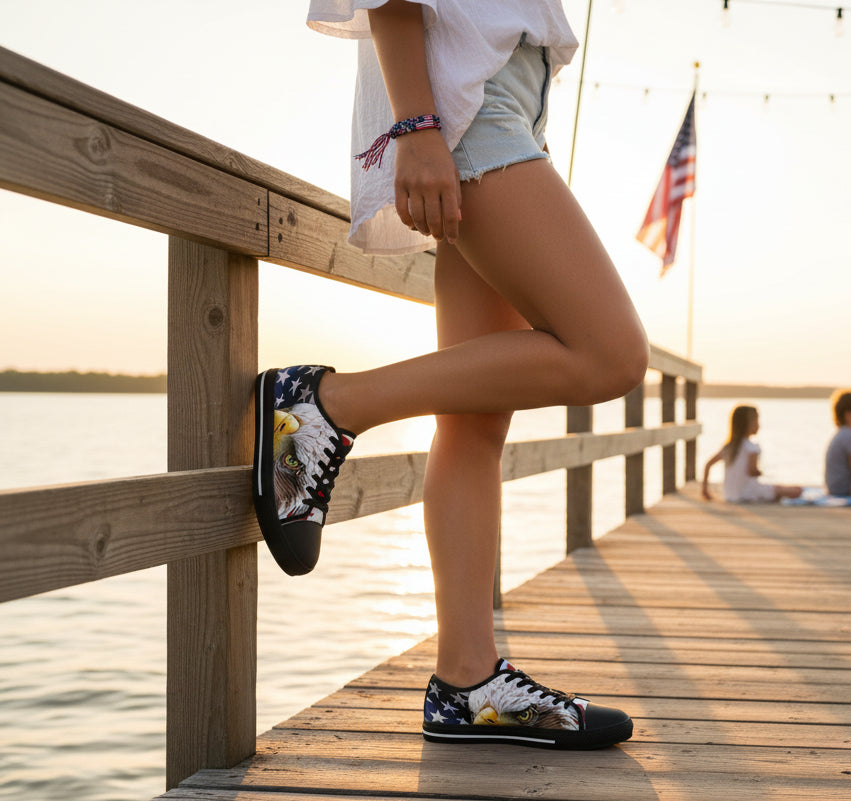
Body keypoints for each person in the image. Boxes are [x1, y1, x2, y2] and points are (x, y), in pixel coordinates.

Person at [252, 0, 649, 751]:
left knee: (473, 424)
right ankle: (327, 403)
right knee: (612, 353)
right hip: (466, 105)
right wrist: (416, 126)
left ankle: (466, 682)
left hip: (501, 102)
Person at [701, 405, 803, 503]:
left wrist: (705, 490)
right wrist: (761, 472)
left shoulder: (728, 447)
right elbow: (752, 471)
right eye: (756, 421)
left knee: (778, 489)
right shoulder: (751, 447)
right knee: (796, 490)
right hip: (748, 493)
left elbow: (708, 465)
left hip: (729, 495)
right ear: (747, 424)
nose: (759, 425)